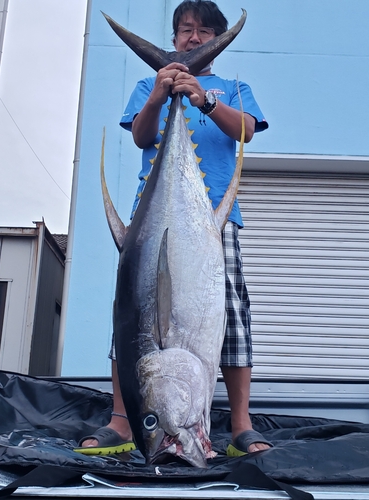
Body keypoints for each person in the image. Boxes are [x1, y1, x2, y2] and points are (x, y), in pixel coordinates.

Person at [76, 0, 272, 457]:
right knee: (134, 319)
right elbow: (142, 136)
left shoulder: (233, 87)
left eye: (204, 31)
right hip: (152, 225)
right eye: (185, 30)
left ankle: (241, 427)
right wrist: (160, 95)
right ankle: (122, 422)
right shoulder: (150, 83)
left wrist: (201, 96)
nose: (194, 38)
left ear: (216, 40)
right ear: (174, 37)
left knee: (233, 325)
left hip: (211, 222)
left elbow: (245, 130)